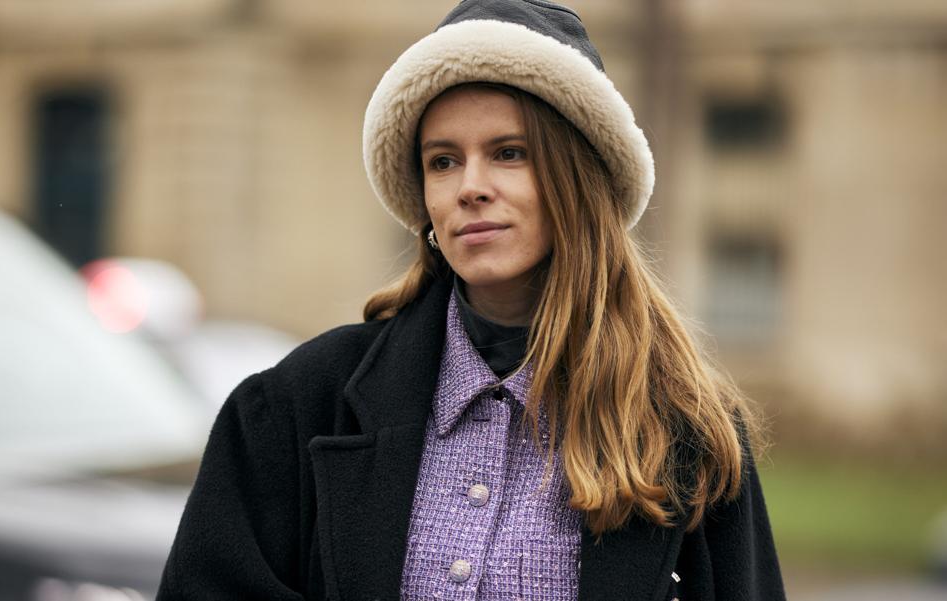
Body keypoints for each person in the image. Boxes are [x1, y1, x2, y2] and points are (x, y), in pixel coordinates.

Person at [157, 1, 787, 600]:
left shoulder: (686, 432)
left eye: (509, 153)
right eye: (443, 161)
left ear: (578, 182)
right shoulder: (294, 408)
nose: (470, 188)